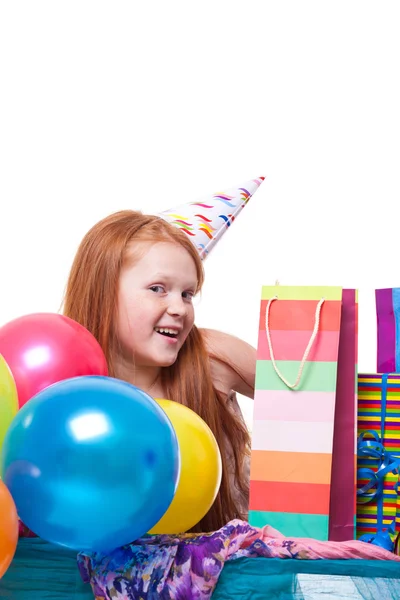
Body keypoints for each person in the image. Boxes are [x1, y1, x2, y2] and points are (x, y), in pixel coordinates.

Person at [62, 209, 256, 533]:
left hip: (232, 576)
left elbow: (311, 396)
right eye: (157, 289)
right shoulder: (66, 388)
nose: (179, 308)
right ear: (102, 291)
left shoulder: (212, 359)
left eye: (187, 293)